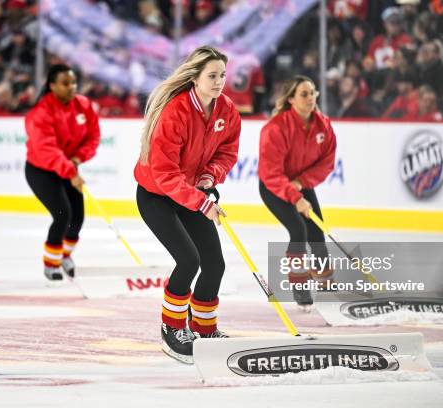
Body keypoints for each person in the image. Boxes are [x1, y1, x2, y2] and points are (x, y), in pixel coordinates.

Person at [134, 46, 241, 364]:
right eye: (212, 75)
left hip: (192, 193)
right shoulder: (175, 112)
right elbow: (165, 175)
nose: (219, 81)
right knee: (188, 261)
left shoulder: (226, 110)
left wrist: (210, 176)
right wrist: (201, 202)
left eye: (222, 75)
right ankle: (172, 329)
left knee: (215, 264)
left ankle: (205, 329)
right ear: (195, 77)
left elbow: (228, 152)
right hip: (157, 196)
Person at [258, 75, 337, 311]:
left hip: (301, 184)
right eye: (304, 94)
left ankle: (326, 288)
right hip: (274, 187)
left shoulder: (323, 125)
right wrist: (294, 197)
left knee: (318, 232)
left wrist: (301, 183)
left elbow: (327, 163)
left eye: (313, 93)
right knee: (298, 230)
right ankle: (300, 288)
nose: (310, 98)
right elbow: (270, 173)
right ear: (291, 99)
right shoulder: (275, 128)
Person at [24, 64, 100, 282]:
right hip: (41, 170)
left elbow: (93, 137)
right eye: (65, 83)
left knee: (78, 217)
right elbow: (47, 150)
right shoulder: (41, 113)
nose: (71, 87)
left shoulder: (83, 106)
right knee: (62, 214)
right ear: (52, 86)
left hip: (68, 166)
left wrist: (77, 159)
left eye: (74, 82)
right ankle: (51, 264)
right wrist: (70, 170)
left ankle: (64, 255)